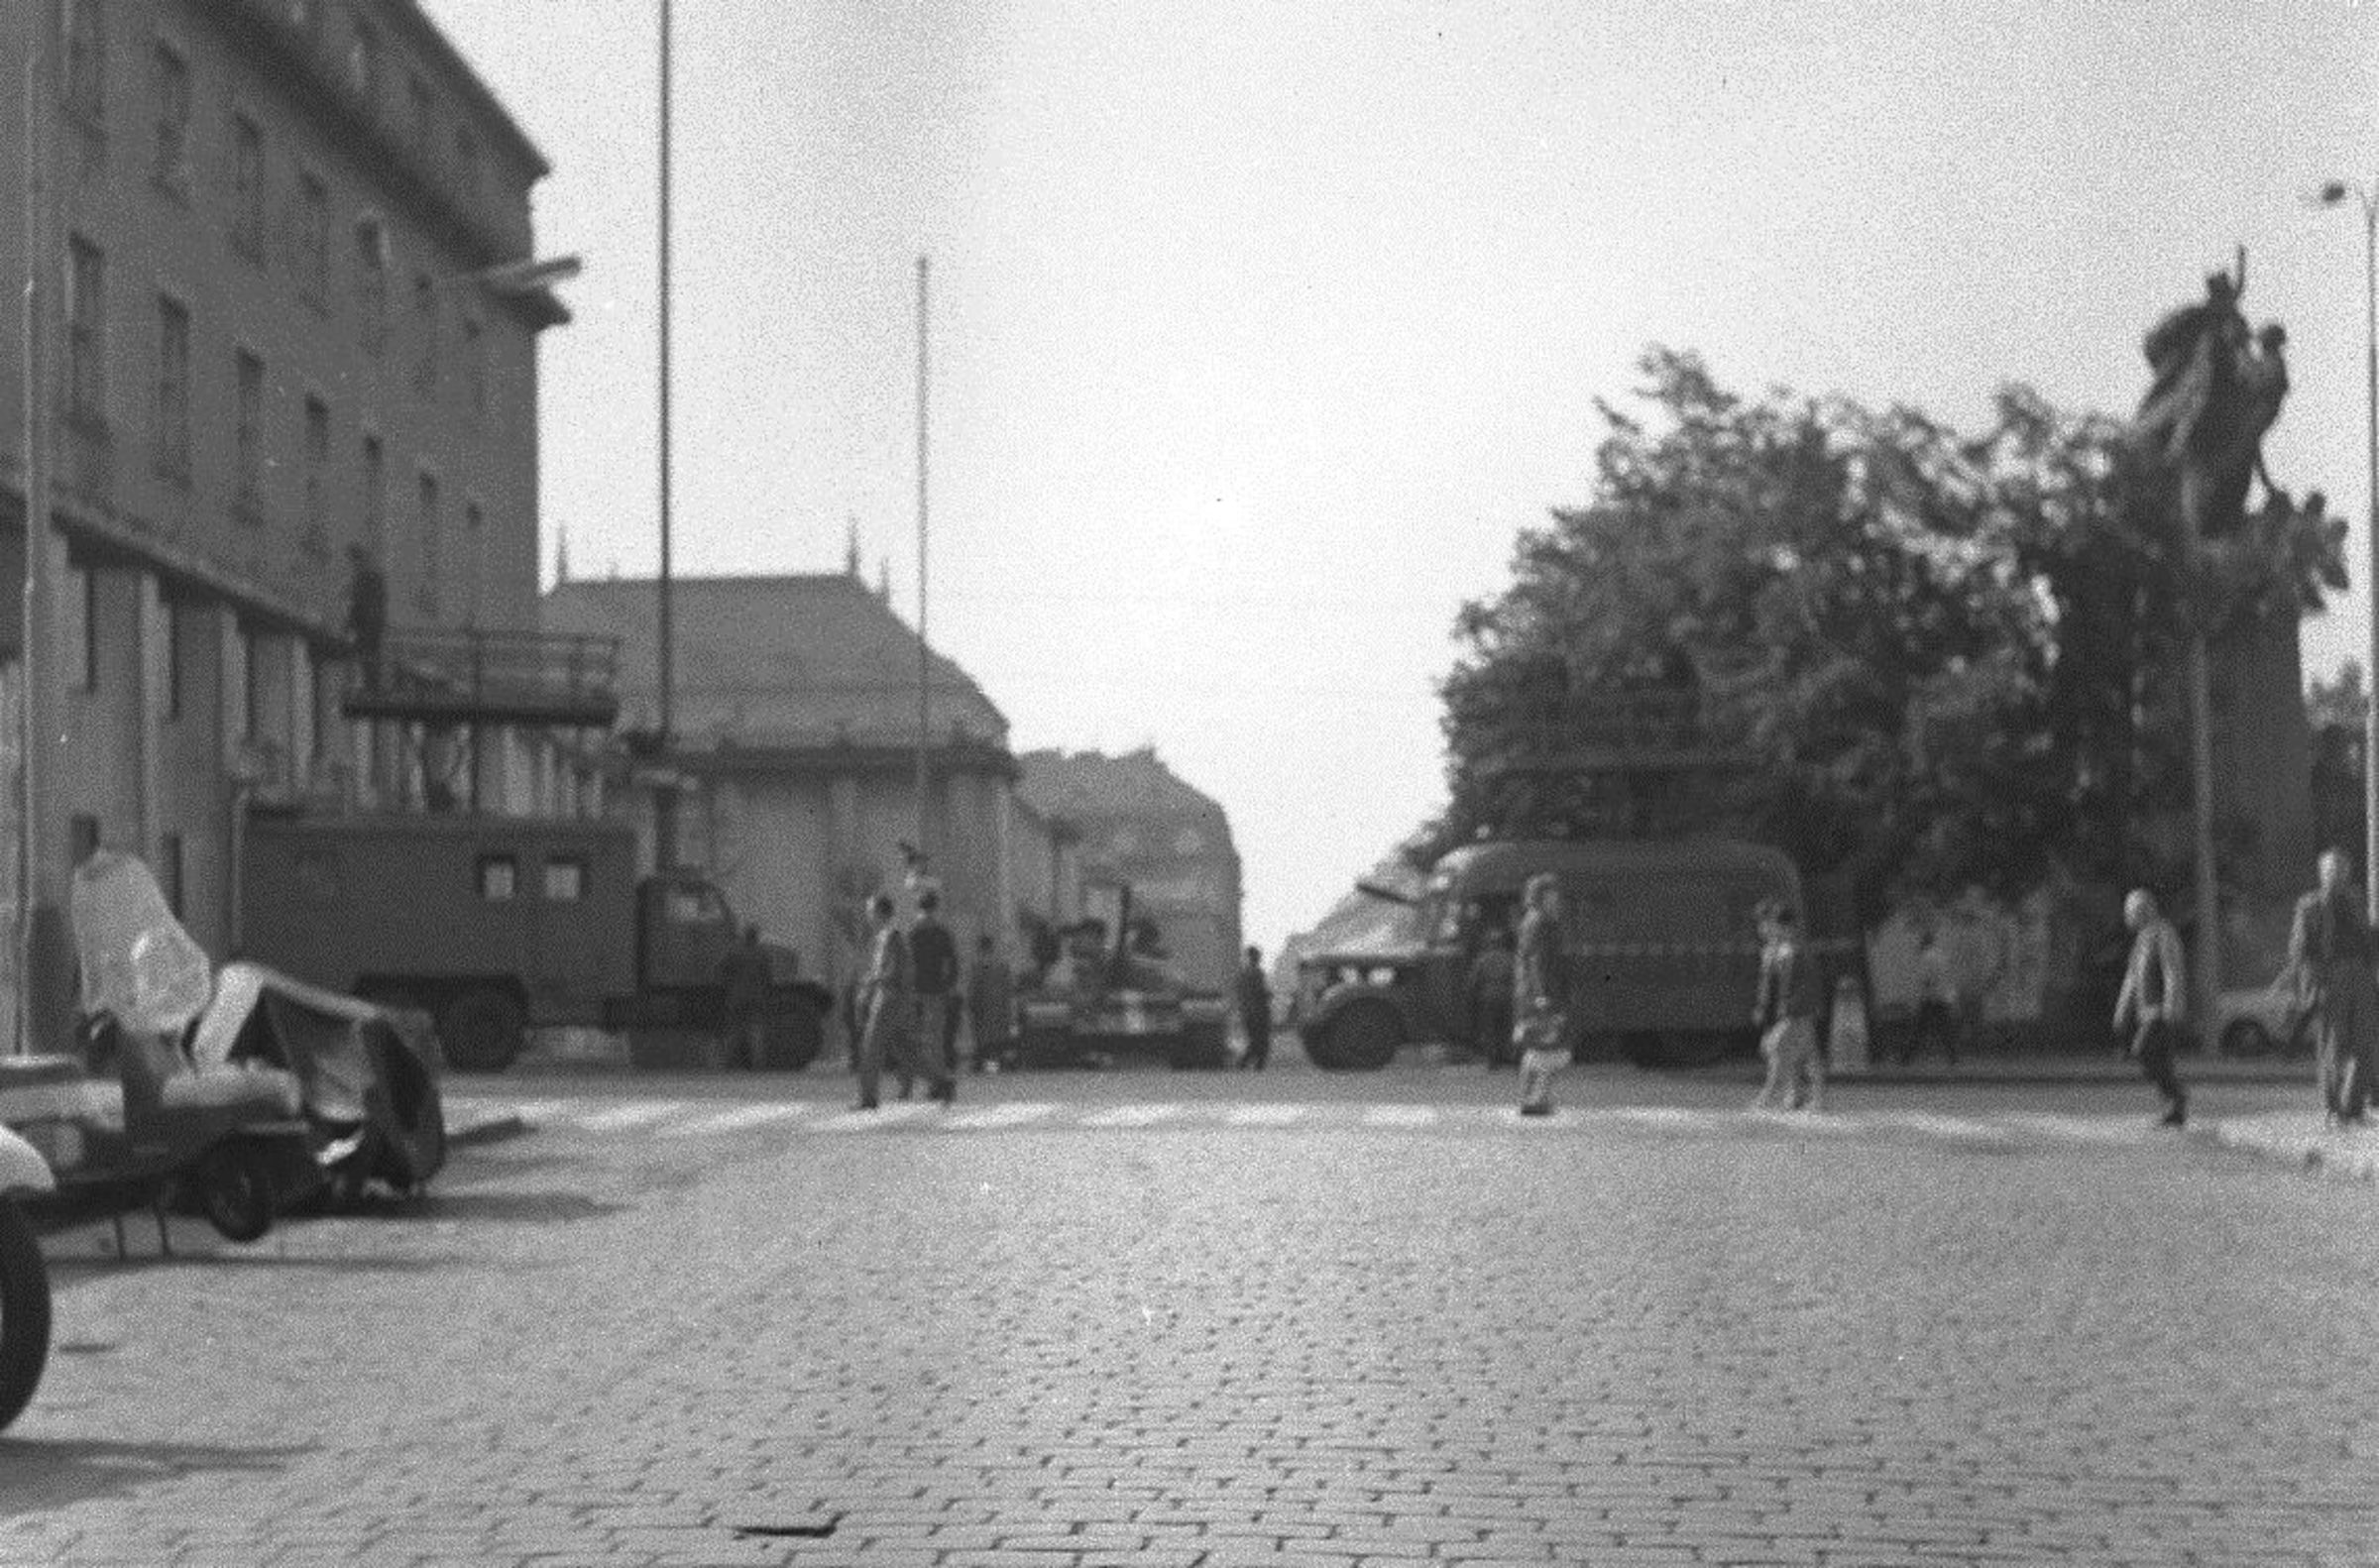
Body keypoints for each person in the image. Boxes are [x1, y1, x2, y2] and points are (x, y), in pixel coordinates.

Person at [2285, 848, 2377, 1128]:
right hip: (2329, 978)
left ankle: (2353, 1107)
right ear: (2321, 874)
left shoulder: (2357, 902)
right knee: (2333, 1046)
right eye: (2330, 870)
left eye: (2340, 870)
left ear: (2347, 873)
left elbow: (2368, 941)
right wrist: (2308, 987)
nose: (2336, 876)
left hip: (2360, 976)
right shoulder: (2309, 906)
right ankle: (2334, 1109)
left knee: (2364, 1043)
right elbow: (2299, 950)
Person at [853, 894, 950, 1109]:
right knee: (906, 1050)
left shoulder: (893, 936)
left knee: (871, 1047)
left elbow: (894, 971)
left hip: (889, 999)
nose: (868, 915)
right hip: (893, 999)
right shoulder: (885, 936)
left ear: (880, 913)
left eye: (870, 911)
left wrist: (871, 981)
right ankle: (942, 1083)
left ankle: (868, 1097)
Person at [2111, 888, 2189, 1128]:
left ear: (2144, 911)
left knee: (2143, 1050)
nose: (2128, 917)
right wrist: (2122, 1009)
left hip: (2160, 1010)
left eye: (2131, 912)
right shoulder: (2142, 939)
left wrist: (2172, 1003)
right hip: (2146, 1011)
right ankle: (2174, 1108)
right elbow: (2132, 978)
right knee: (2158, 1058)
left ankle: (2177, 1098)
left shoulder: (2163, 933)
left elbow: (2171, 970)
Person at [1751, 899, 1825, 1112]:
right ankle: (1805, 1097)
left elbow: (1805, 982)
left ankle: (1769, 1097)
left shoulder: (1796, 949)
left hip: (1797, 1009)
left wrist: (1791, 1006)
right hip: (1792, 1009)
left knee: (1778, 1047)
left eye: (1774, 925)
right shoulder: (1784, 949)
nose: (1770, 929)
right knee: (1807, 1053)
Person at [1512, 873, 1570, 1117]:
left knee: (1537, 1047)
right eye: (1550, 895)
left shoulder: (1532, 920)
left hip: (1531, 992)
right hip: (1542, 993)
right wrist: (1542, 994)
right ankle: (1537, 1099)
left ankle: (1529, 1098)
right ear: (1539, 897)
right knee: (1550, 1047)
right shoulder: (1541, 922)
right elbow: (1537, 961)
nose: (1555, 899)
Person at [908, 888, 962, 1093]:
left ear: (918, 907)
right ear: (936, 908)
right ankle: (937, 1081)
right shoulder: (942, 933)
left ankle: (926, 1083)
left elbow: (907, 964)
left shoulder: (913, 933)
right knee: (935, 1040)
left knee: (917, 1040)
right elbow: (953, 963)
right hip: (936, 992)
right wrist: (948, 986)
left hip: (916, 993)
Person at [718, 924, 771, 1070]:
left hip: (736, 997)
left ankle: (727, 1062)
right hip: (756, 997)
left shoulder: (734, 952)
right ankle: (757, 1063)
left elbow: (721, 969)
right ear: (756, 937)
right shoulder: (762, 954)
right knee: (755, 1031)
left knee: (733, 1030)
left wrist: (729, 984)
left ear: (744, 936)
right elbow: (768, 977)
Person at [1907, 927, 1960, 1066]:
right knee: (1944, 1028)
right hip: (1944, 996)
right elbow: (1948, 976)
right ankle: (1953, 1057)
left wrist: (1920, 996)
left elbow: (1927, 979)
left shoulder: (1926, 957)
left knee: (1920, 1028)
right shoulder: (1941, 955)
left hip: (1932, 997)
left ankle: (1907, 1057)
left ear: (1924, 942)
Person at [1466, 924, 1517, 1068]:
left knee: (1490, 1028)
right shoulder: (1509, 958)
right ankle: (1506, 1055)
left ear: (1489, 943)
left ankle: (1492, 1060)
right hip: (1506, 995)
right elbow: (1516, 977)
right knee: (1505, 1027)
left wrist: (1472, 996)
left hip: (1487, 996)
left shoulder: (1482, 959)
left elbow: (1473, 980)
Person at [965, 934, 1014, 1073]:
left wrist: (970, 1003)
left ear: (980, 947)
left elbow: (974, 986)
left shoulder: (978, 965)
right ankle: (999, 1064)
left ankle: (987, 1065)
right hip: (999, 1004)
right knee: (999, 1035)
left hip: (983, 1005)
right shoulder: (1002, 964)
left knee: (984, 1036)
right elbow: (1008, 986)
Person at [344, 544, 388, 691]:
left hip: (367, 625)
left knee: (365, 656)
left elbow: (359, 604)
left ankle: (369, 686)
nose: (353, 565)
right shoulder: (372, 577)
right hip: (372, 624)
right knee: (370, 656)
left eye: (353, 561)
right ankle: (371, 685)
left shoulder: (365, 578)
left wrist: (350, 625)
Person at [1235, 946, 1274, 1070]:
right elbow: (1260, 992)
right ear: (1256, 957)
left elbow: (1240, 994)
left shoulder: (1242, 974)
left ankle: (1245, 1063)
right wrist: (1269, 995)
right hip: (1258, 1012)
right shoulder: (1257, 973)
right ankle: (1250, 1064)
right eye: (1258, 956)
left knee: (1254, 1040)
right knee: (1261, 1041)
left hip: (1247, 1012)